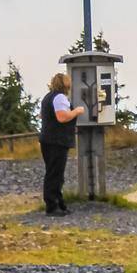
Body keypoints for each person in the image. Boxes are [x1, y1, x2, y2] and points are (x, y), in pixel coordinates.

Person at [39, 71, 84, 216]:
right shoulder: (60, 97)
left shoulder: (48, 97)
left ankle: (59, 203)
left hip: (47, 140)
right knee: (55, 174)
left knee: (54, 173)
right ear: (64, 84)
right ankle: (52, 206)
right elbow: (62, 117)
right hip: (56, 141)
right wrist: (76, 111)